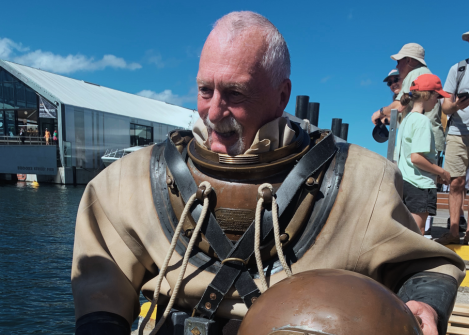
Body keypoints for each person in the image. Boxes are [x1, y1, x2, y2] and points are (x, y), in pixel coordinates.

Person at [71, 12, 465, 335]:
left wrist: (425, 303)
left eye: (235, 93)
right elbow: (102, 271)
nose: (213, 111)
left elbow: (427, 264)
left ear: (282, 94)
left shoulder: (361, 183)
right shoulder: (134, 181)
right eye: (205, 90)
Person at [395, 74, 451, 235]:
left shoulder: (407, 120)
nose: (438, 100)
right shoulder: (422, 121)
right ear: (428, 95)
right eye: (437, 95)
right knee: (416, 232)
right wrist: (442, 172)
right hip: (420, 185)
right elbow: (416, 158)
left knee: (405, 230)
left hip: (405, 182)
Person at [372, 43, 445, 157]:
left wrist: (379, 112)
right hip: (424, 140)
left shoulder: (415, 73)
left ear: (409, 60)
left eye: (398, 62)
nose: (397, 66)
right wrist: (386, 120)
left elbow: (399, 106)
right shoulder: (423, 73)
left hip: (421, 142)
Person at [439, 31, 469, 245]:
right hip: (457, 134)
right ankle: (454, 232)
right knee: (456, 183)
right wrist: (457, 105)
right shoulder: (458, 69)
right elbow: (445, 107)